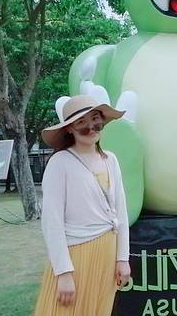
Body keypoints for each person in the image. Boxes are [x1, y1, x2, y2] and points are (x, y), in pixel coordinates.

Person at [34, 90, 131, 316]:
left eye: (95, 120)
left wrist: (122, 259)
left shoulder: (111, 160)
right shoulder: (60, 162)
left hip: (107, 252)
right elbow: (52, 221)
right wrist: (63, 272)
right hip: (76, 254)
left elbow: (121, 213)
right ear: (69, 128)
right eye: (81, 123)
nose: (91, 127)